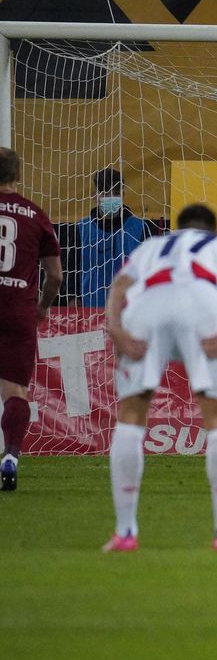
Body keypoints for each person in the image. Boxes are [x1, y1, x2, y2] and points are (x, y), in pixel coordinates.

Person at [102, 203, 217, 551]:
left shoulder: (152, 246)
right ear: (212, 231)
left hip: (146, 308)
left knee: (130, 417)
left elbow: (120, 285)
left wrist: (115, 327)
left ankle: (125, 532)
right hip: (203, 305)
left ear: (178, 228)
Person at [0, 147, 63, 491]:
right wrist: (42, 308)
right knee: (15, 392)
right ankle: (10, 454)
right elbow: (55, 275)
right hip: (17, 311)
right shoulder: (34, 214)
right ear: (18, 175)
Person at [74, 168, 150, 307]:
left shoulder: (140, 228)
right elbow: (72, 267)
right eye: (104, 193)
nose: (110, 198)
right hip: (89, 310)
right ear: (94, 195)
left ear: (123, 195)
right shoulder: (81, 228)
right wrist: (73, 297)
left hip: (128, 309)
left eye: (115, 193)